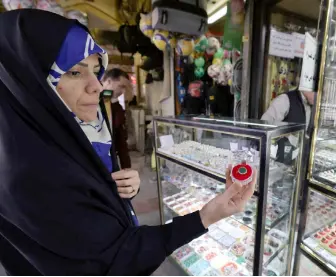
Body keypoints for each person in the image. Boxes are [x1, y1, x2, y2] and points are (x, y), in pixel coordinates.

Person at [0, 9, 255, 275]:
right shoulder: (34, 178)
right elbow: (118, 260)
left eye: (96, 71)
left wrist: (119, 187)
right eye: (74, 72)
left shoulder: (70, 136)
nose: (97, 87)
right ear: (29, 82)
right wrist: (208, 215)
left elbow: (91, 204)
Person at [102, 68, 132, 169]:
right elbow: (103, 94)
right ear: (109, 81)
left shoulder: (116, 106)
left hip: (111, 159)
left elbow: (121, 141)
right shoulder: (90, 101)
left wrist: (127, 168)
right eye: (121, 86)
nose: (122, 91)